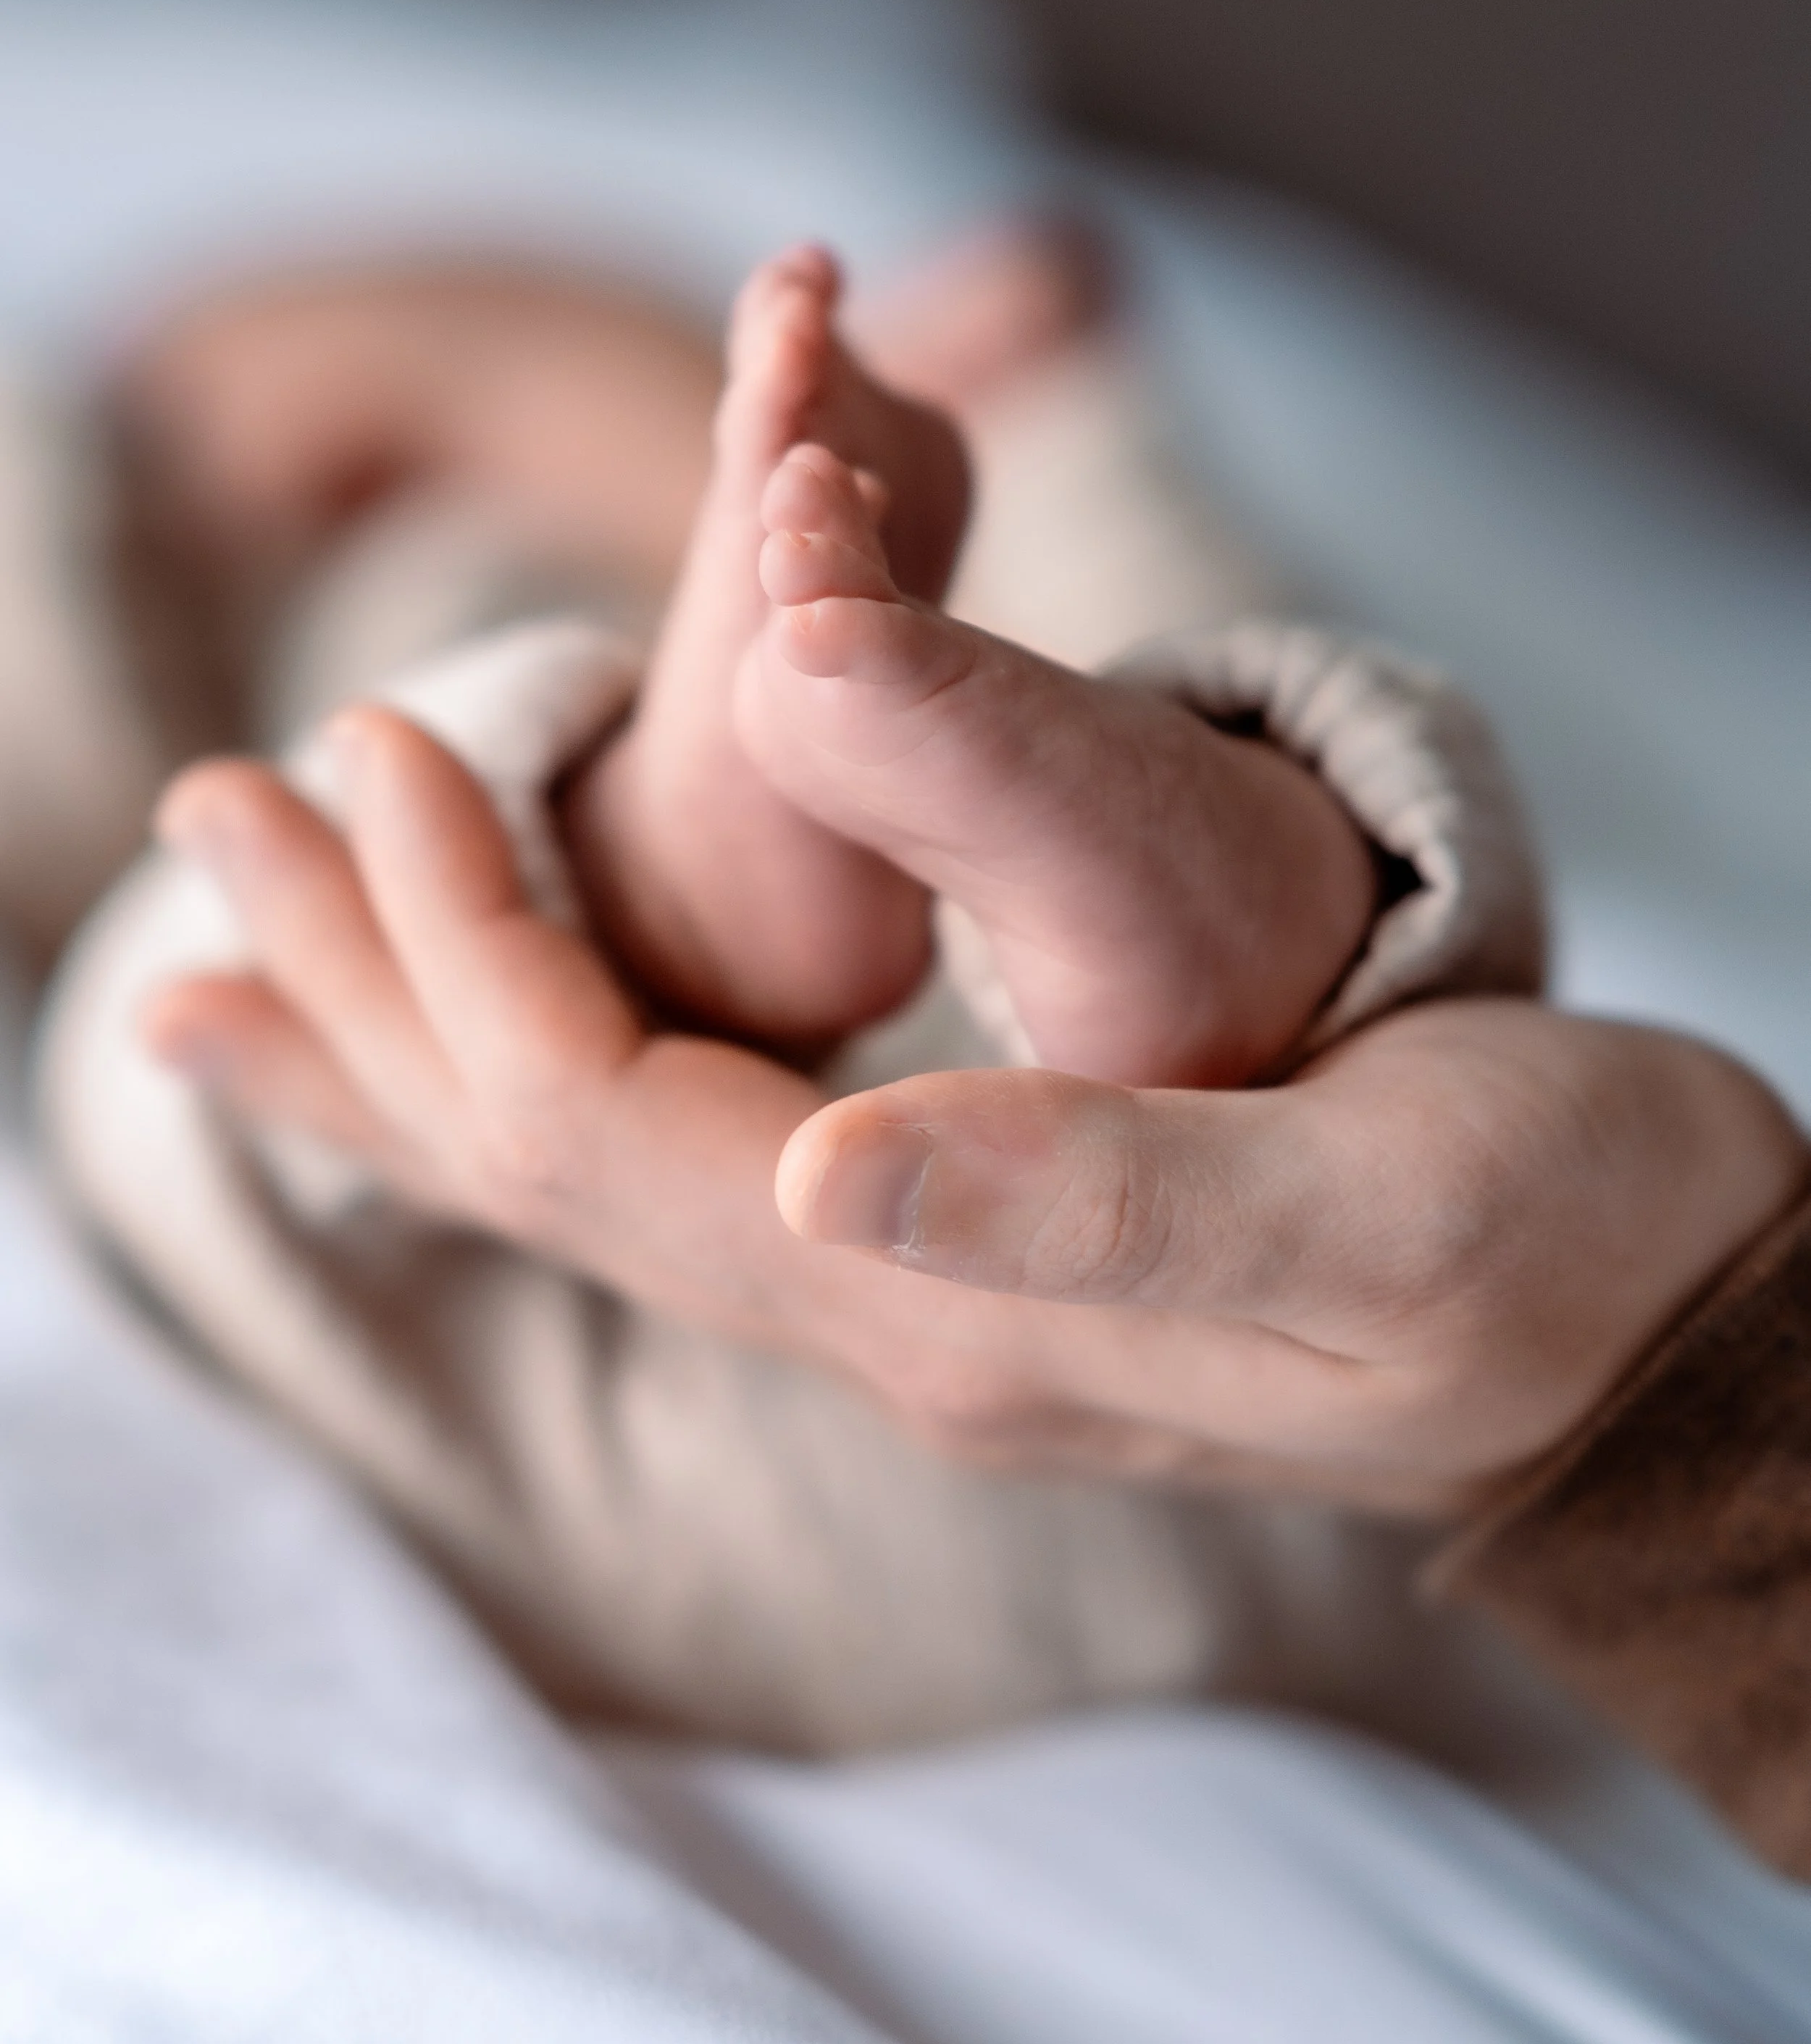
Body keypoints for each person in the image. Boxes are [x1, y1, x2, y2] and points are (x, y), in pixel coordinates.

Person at [41, 249, 1809, 1866]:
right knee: (1151, 684)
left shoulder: (411, 567)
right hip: (1378, 1440)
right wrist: (1051, 419)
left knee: (176, 1053)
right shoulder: (219, 523)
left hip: (1092, 1456)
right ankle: (1251, 894)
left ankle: (681, 879)